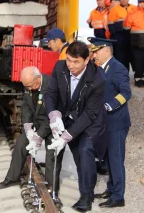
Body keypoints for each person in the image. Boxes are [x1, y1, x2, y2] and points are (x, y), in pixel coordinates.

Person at [45, 41, 107, 212]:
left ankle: (86, 196)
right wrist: (54, 115)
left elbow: (89, 114)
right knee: (54, 150)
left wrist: (67, 137)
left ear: (87, 60)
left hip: (89, 123)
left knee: (84, 152)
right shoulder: (60, 67)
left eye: (76, 62)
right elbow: (51, 94)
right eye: (69, 60)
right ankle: (52, 190)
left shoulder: (98, 79)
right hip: (65, 117)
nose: (71, 66)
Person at [0, 67, 64, 194]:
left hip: (52, 124)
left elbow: (53, 114)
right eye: (25, 86)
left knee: (52, 156)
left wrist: (39, 136)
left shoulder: (52, 85)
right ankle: (12, 177)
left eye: (30, 85)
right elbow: (26, 106)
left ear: (38, 79)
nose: (27, 88)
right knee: (21, 144)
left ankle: (52, 188)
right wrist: (28, 127)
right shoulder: (29, 84)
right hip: (37, 123)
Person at [89, 37, 131, 208]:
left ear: (107, 50)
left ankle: (118, 197)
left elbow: (126, 93)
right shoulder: (100, 68)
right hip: (105, 123)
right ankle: (111, 188)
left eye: (96, 51)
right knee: (106, 159)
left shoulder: (118, 68)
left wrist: (109, 105)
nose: (94, 55)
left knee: (115, 159)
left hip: (116, 123)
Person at [108, 0, 136, 71]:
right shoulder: (114, 9)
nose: (123, 0)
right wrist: (114, 36)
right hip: (119, 36)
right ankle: (124, 74)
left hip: (131, 35)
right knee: (121, 57)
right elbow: (110, 23)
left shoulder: (134, 8)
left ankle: (138, 75)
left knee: (133, 55)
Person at [124, 0, 144, 87]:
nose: (142, 4)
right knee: (138, 61)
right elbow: (126, 27)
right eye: (140, 2)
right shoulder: (132, 13)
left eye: (143, 2)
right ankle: (138, 79)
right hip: (137, 43)